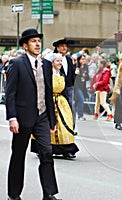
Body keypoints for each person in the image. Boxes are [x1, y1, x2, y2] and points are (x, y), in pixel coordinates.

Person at [5, 28, 61, 200]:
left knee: (46, 153)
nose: (37, 44)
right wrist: (12, 117)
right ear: (25, 45)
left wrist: (52, 119)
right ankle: (14, 195)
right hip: (22, 118)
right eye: (33, 41)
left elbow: (48, 92)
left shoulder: (45, 65)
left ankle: (49, 194)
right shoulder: (16, 63)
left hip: (42, 116)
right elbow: (10, 93)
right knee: (18, 155)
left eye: (38, 41)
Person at [31, 53, 79, 159]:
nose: (60, 63)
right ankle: (45, 148)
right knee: (48, 125)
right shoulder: (47, 75)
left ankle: (67, 149)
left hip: (61, 102)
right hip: (49, 101)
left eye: (61, 61)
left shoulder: (61, 74)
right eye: (58, 61)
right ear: (52, 63)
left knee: (65, 124)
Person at [53, 38, 77, 135]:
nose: (64, 48)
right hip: (58, 87)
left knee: (71, 107)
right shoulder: (53, 58)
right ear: (57, 48)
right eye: (62, 46)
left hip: (69, 87)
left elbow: (71, 72)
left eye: (65, 46)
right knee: (58, 108)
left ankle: (71, 127)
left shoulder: (68, 59)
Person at [74, 54, 89, 120]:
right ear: (79, 60)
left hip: (83, 86)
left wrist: (85, 76)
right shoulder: (76, 66)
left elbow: (88, 77)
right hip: (76, 86)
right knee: (81, 99)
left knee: (77, 101)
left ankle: (71, 112)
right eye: (82, 59)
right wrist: (79, 74)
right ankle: (80, 115)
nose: (83, 60)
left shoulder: (86, 66)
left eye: (84, 59)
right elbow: (75, 76)